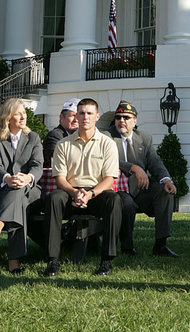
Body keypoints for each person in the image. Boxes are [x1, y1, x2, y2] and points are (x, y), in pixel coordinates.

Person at [44, 97, 122, 277]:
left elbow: (109, 179)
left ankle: (107, 261)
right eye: (81, 113)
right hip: (70, 191)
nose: (85, 117)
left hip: (96, 193)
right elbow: (60, 179)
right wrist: (74, 192)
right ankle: (52, 260)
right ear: (76, 117)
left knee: (114, 199)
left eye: (89, 113)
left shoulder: (107, 143)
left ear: (97, 116)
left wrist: (90, 194)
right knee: (54, 198)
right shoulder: (63, 145)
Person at [108, 100, 178, 257]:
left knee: (164, 192)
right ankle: (127, 248)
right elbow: (104, 159)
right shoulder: (107, 137)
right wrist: (132, 167)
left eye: (126, 117)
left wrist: (166, 180)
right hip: (117, 189)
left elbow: (155, 162)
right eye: (118, 117)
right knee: (126, 203)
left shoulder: (144, 138)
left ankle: (161, 245)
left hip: (140, 188)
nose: (121, 121)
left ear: (135, 121)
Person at [0, 98, 43, 273]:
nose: (23, 117)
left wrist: (28, 178)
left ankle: (1, 222)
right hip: (5, 189)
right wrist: (7, 178)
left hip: (31, 189)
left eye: (24, 113)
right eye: (18, 113)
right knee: (17, 199)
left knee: (17, 193)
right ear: (8, 117)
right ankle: (14, 262)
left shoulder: (33, 137)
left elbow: (37, 165)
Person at [43, 98, 79, 167]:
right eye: (73, 116)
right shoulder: (55, 135)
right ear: (61, 117)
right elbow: (57, 160)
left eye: (78, 116)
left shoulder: (78, 135)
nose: (76, 120)